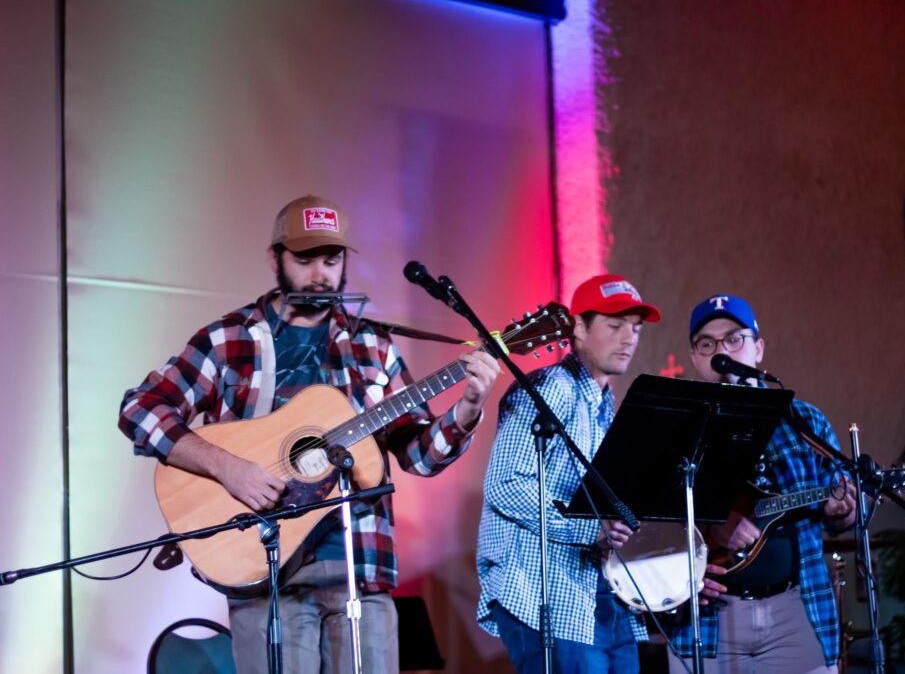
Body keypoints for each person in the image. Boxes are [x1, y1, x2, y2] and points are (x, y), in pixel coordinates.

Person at [118, 195, 499, 674]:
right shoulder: (229, 339)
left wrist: (467, 408)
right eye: (305, 259)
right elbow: (140, 408)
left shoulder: (372, 346)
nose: (320, 273)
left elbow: (420, 456)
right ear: (274, 258)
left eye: (331, 259)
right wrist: (228, 468)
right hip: (267, 573)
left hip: (360, 567)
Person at [476, 274, 662, 673]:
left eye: (635, 328)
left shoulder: (603, 403)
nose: (629, 338)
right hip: (542, 587)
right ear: (578, 327)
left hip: (596, 587)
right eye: (615, 326)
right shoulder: (551, 388)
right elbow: (505, 485)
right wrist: (590, 529)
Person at [668, 293, 857, 674]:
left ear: (758, 349)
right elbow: (644, 525)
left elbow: (843, 511)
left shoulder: (803, 421)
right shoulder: (676, 428)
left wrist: (843, 511)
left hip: (796, 609)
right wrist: (683, 568)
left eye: (735, 338)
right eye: (708, 343)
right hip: (706, 618)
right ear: (695, 357)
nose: (722, 350)